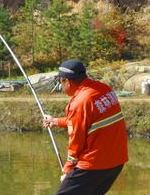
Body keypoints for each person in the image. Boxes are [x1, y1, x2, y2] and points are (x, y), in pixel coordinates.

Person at [43, 59, 128, 195]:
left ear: (67, 81)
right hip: (116, 161)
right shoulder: (104, 89)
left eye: (60, 82)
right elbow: (85, 122)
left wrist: (68, 170)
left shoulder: (80, 102)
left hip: (93, 164)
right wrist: (56, 121)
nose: (61, 86)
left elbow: (76, 141)